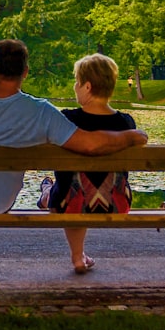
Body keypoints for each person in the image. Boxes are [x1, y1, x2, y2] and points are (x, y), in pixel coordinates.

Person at [0, 40, 148, 273]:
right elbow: (89, 145)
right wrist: (131, 136)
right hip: (1, 203)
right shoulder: (41, 112)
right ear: (25, 72)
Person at [37, 53, 136, 273]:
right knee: (79, 186)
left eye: (78, 82)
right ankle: (48, 192)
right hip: (117, 203)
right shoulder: (126, 122)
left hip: (70, 203)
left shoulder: (67, 119)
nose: (75, 87)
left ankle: (77, 256)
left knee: (70, 189)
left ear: (88, 87)